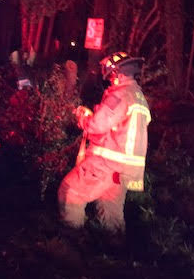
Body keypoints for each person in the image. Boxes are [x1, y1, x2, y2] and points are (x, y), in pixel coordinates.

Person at [58, 51, 151, 232]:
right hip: (123, 171)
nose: (110, 80)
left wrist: (83, 117)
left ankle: (70, 243)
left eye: (111, 76)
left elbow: (97, 126)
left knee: (70, 193)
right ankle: (112, 254)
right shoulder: (139, 97)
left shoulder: (120, 94)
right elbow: (120, 128)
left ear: (118, 73)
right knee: (111, 215)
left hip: (106, 165)